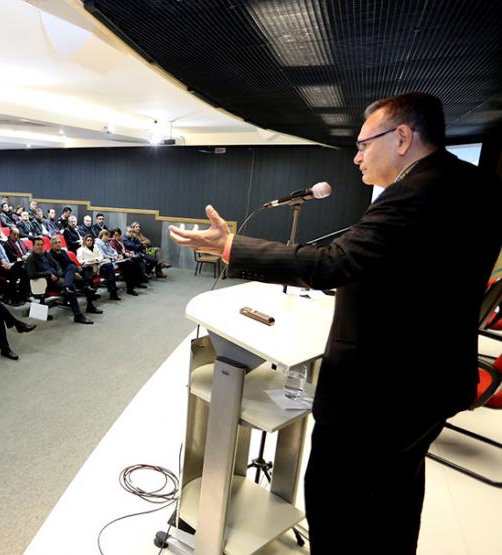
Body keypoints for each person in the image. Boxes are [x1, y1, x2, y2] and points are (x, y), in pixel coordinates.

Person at [168, 92, 502, 554]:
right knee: (397, 499)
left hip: (378, 397)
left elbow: (335, 263)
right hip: (433, 383)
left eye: (364, 144)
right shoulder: (474, 183)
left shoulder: (413, 193)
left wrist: (231, 247)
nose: (357, 157)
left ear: (402, 137)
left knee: (339, 507)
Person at [25, 237, 97, 324]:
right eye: (37, 245)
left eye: (41, 245)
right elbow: (31, 275)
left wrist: (59, 275)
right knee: (72, 286)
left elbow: (57, 265)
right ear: (33, 246)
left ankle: (70, 288)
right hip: (47, 283)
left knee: (73, 268)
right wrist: (48, 275)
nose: (40, 247)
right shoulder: (31, 258)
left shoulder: (45, 254)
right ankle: (78, 315)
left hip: (57, 278)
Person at [0, 225, 29, 305]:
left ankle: (22, 296)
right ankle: (12, 298)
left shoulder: (3, 243)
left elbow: (10, 254)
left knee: (24, 270)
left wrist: (17, 258)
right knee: (16, 272)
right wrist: (1, 261)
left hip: (10, 264)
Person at [96, 229, 143, 295]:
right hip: (107, 261)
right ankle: (130, 288)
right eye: (105, 236)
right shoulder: (98, 243)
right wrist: (113, 257)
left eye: (107, 236)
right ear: (101, 236)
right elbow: (102, 254)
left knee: (131, 264)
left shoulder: (106, 242)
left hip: (115, 259)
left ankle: (132, 286)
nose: (107, 237)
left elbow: (113, 250)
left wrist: (115, 255)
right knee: (128, 265)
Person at [77, 234, 121, 301]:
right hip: (89, 266)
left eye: (91, 240)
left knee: (109, 265)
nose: (89, 242)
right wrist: (90, 261)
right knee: (107, 272)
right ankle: (111, 289)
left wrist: (96, 260)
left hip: (99, 265)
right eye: (88, 240)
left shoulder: (95, 247)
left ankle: (113, 291)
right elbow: (80, 260)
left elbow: (101, 256)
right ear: (85, 241)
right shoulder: (80, 249)